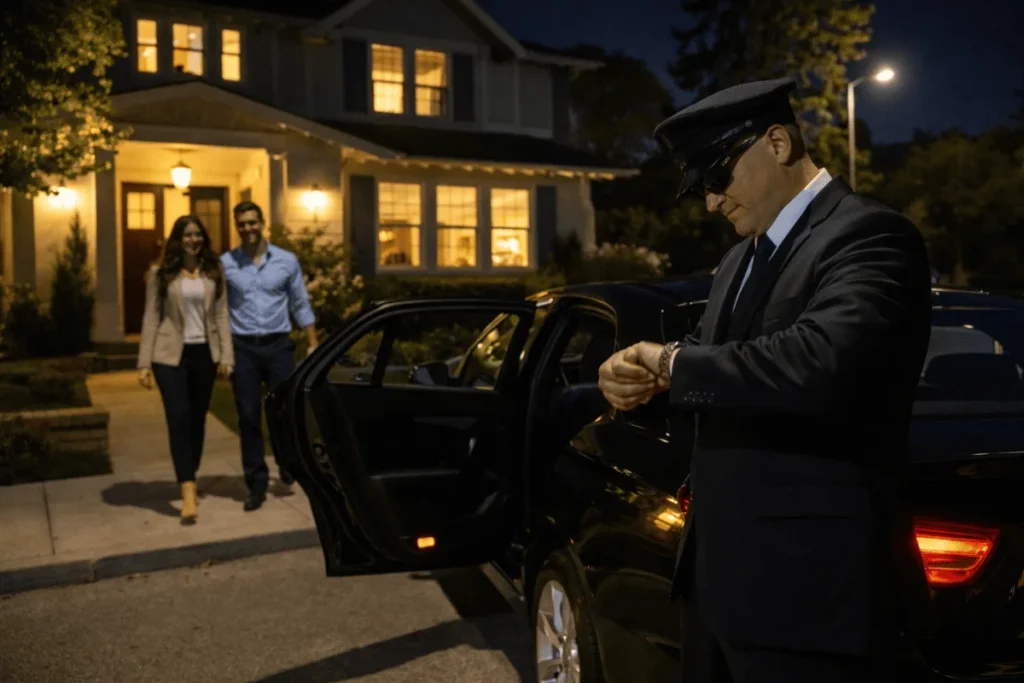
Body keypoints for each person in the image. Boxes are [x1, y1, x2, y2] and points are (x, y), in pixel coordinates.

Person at [597, 78, 934, 682]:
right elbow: (719, 369)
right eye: (698, 189)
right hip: (719, 590)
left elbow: (819, 362)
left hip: (811, 601)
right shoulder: (739, 258)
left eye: (716, 178)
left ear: (777, 143)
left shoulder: (869, 235)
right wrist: (638, 380)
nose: (710, 203)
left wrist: (672, 363)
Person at [221, 201, 317, 511]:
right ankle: (256, 483)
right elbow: (219, 309)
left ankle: (287, 462)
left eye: (252, 222)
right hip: (244, 349)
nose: (247, 228)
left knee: (284, 412)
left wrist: (312, 342)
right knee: (248, 415)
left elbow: (300, 303)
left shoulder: (286, 261)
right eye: (241, 224)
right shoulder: (226, 263)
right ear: (236, 226)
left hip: (279, 347)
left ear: (262, 224)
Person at [138, 215, 233, 525]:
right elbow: (151, 317)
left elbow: (221, 315)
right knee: (178, 417)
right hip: (169, 356)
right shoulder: (161, 273)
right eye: (187, 235)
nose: (193, 240)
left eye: (197, 234)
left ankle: (189, 472)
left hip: (204, 354)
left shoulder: (214, 271)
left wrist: (226, 355)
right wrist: (144, 363)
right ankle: (188, 489)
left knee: (197, 419)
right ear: (178, 240)